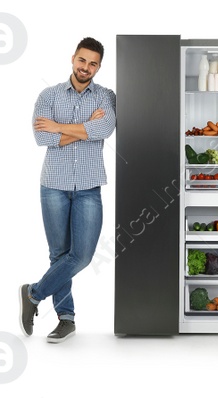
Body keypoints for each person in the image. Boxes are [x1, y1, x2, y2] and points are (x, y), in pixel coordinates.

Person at [22, 37, 115, 344]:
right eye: (82, 60)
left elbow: (104, 130)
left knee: (83, 255)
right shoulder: (48, 95)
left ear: (99, 67)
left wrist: (60, 127)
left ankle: (33, 293)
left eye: (93, 63)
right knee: (59, 254)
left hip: (89, 187)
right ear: (73, 58)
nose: (86, 67)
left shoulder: (105, 96)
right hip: (53, 186)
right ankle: (66, 319)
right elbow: (41, 139)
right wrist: (85, 128)